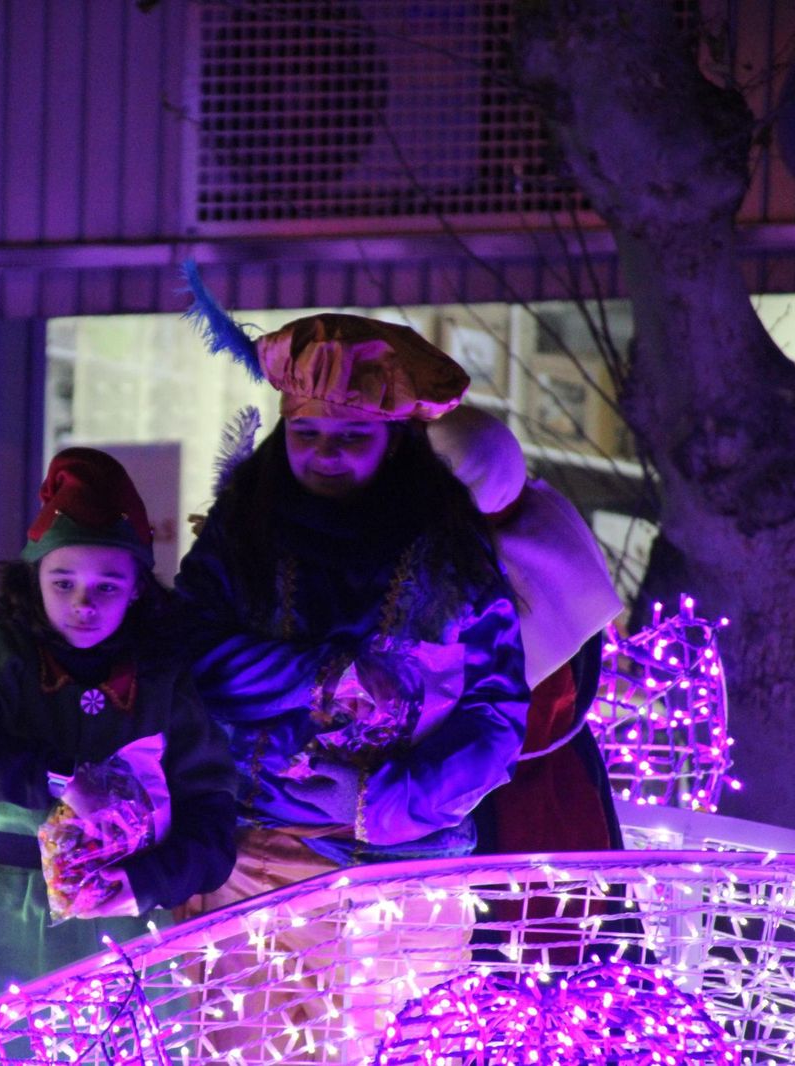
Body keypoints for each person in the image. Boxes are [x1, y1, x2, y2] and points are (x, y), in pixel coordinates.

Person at [174, 282, 530, 1058]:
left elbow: (497, 719)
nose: (326, 454)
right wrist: (315, 675)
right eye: (307, 434)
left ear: (394, 441)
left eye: (352, 435)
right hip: (257, 866)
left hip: (405, 880)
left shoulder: (456, 557)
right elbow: (187, 653)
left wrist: (380, 802)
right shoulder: (240, 536)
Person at [0, 447, 238, 1020]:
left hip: (127, 929)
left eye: (106, 586)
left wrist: (146, 882)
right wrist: (59, 778)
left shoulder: (163, 679)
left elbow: (212, 821)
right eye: (63, 582)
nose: (82, 604)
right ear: (35, 576)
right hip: (9, 917)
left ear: (137, 587)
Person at [425, 404, 625, 858]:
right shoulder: (549, 528)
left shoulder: (483, 581)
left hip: (501, 801)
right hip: (561, 781)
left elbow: (521, 723)